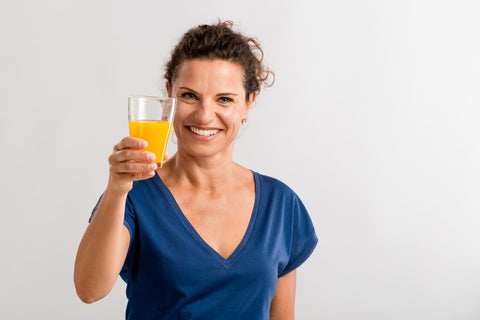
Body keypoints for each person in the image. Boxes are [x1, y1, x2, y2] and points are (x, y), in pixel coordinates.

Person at [74, 21, 317, 320]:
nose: (204, 115)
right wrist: (117, 189)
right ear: (169, 96)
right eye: (189, 95)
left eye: (224, 99)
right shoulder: (134, 195)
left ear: (248, 103)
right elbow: (89, 290)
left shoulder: (280, 204)